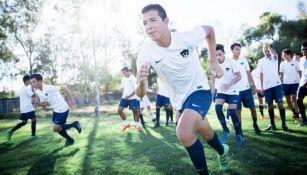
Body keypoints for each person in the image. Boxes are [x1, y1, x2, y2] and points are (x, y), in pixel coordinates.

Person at [136, 4, 229, 174]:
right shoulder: (145, 51)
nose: (148, 26)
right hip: (179, 100)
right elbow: (140, 93)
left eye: (153, 20)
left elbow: (209, 30)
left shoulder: (185, 38)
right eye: (145, 23)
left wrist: (214, 61)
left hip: (199, 90)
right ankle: (223, 151)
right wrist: (141, 83)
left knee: (184, 132)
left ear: (166, 21)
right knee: (206, 132)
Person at [30, 73, 81, 146]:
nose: (32, 84)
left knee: (56, 128)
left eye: (34, 81)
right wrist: (38, 102)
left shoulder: (48, 88)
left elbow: (64, 88)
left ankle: (75, 124)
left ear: (40, 81)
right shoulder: (38, 91)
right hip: (56, 110)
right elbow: (45, 104)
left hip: (63, 108)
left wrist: (70, 99)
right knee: (57, 129)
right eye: (31, 82)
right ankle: (70, 140)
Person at [213, 44, 243, 146]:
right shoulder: (214, 63)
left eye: (220, 54)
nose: (218, 57)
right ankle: (226, 131)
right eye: (216, 55)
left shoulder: (231, 62)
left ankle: (238, 133)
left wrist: (229, 84)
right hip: (221, 91)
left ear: (224, 53)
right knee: (217, 108)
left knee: (232, 111)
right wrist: (213, 88)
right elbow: (213, 76)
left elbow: (239, 76)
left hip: (233, 91)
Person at [230, 43, 261, 134]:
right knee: (238, 111)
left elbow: (249, 74)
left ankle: (255, 124)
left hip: (247, 89)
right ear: (232, 50)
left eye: (239, 49)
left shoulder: (244, 60)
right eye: (236, 49)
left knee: (253, 108)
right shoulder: (229, 62)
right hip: (235, 91)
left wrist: (254, 86)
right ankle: (240, 130)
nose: (238, 51)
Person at [259, 43, 288, 131]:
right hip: (267, 87)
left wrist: (268, 46)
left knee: (280, 104)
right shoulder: (260, 61)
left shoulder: (274, 58)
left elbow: (275, 54)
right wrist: (262, 87)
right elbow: (261, 74)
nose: (266, 52)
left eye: (268, 50)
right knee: (269, 106)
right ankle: (272, 124)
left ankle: (284, 124)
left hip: (276, 85)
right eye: (265, 51)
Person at [6, 75, 37, 141]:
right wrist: (32, 86)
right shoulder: (26, 88)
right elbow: (33, 95)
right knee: (33, 119)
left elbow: (31, 96)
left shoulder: (23, 88)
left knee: (24, 122)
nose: (31, 81)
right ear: (26, 81)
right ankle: (33, 135)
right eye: (30, 80)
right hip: (28, 108)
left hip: (24, 109)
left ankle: (10, 131)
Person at [279, 48, 301, 122]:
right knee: (288, 101)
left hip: (295, 83)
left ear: (288, 55)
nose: (282, 56)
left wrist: (301, 82)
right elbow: (281, 75)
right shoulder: (282, 64)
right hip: (285, 84)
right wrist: (279, 83)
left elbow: (300, 73)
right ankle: (295, 113)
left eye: (283, 54)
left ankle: (297, 116)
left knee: (294, 99)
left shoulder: (296, 63)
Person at [118, 67, 142, 132]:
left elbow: (136, 90)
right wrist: (121, 89)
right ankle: (126, 124)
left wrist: (129, 96)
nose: (123, 75)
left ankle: (138, 127)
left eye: (124, 73)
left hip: (133, 98)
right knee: (119, 110)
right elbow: (123, 87)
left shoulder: (134, 79)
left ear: (128, 71)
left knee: (135, 111)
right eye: (122, 73)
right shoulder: (123, 78)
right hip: (124, 97)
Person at [297, 41, 307, 126]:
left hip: (305, 83)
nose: (303, 51)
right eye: (302, 49)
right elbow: (303, 73)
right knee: (298, 101)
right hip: (302, 84)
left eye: (305, 49)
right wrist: (301, 82)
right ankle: (304, 120)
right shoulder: (301, 59)